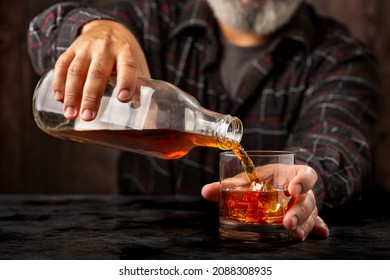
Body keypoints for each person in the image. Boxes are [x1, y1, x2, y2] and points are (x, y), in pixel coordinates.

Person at [27, 0, 380, 241]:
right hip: (139, 248)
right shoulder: (156, 15)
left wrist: (304, 178)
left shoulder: (342, 56)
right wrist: (98, 28)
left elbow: (338, 144)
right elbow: (44, 28)